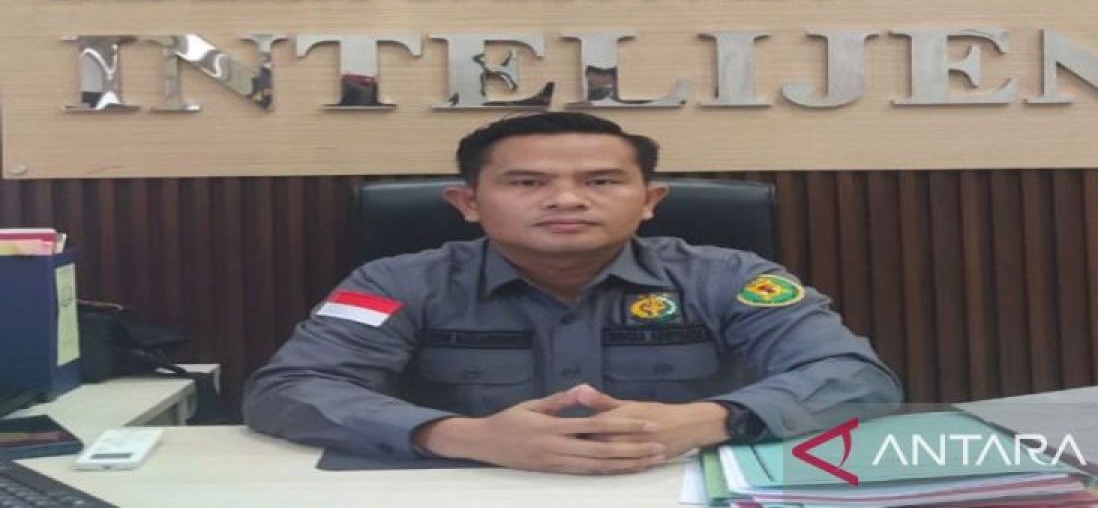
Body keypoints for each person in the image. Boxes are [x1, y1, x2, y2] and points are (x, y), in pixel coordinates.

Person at [243, 112, 901, 474]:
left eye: (601, 182)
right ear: (467, 203)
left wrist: (712, 420)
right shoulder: (395, 282)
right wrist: (461, 436)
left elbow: (854, 376)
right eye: (527, 183)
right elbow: (288, 389)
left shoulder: (728, 276)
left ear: (650, 200)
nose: (566, 200)